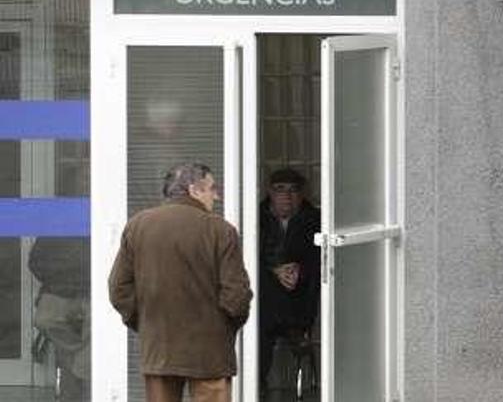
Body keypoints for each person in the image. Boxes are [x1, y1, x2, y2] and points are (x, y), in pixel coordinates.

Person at [108, 163, 252, 402]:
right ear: (194, 190)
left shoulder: (138, 226)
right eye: (211, 188)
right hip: (211, 350)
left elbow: (118, 288)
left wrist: (144, 322)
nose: (216, 195)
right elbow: (236, 294)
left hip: (159, 346)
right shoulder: (220, 230)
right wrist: (226, 326)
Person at [257, 168, 321, 390]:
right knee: (263, 282)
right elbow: (247, 255)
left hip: (300, 299)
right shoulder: (256, 217)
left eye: (293, 190)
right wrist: (275, 270)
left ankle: (289, 324)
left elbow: (321, 258)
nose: (287, 196)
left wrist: (299, 271)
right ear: (269, 192)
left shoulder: (314, 220)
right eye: (280, 190)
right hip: (264, 303)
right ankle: (258, 385)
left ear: (302, 194)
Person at [29, 237, 90, 400]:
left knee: (97, 329)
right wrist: (59, 276)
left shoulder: (98, 222)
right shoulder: (55, 228)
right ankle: (80, 360)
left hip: (93, 294)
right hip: (57, 291)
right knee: (43, 319)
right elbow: (34, 262)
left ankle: (78, 365)